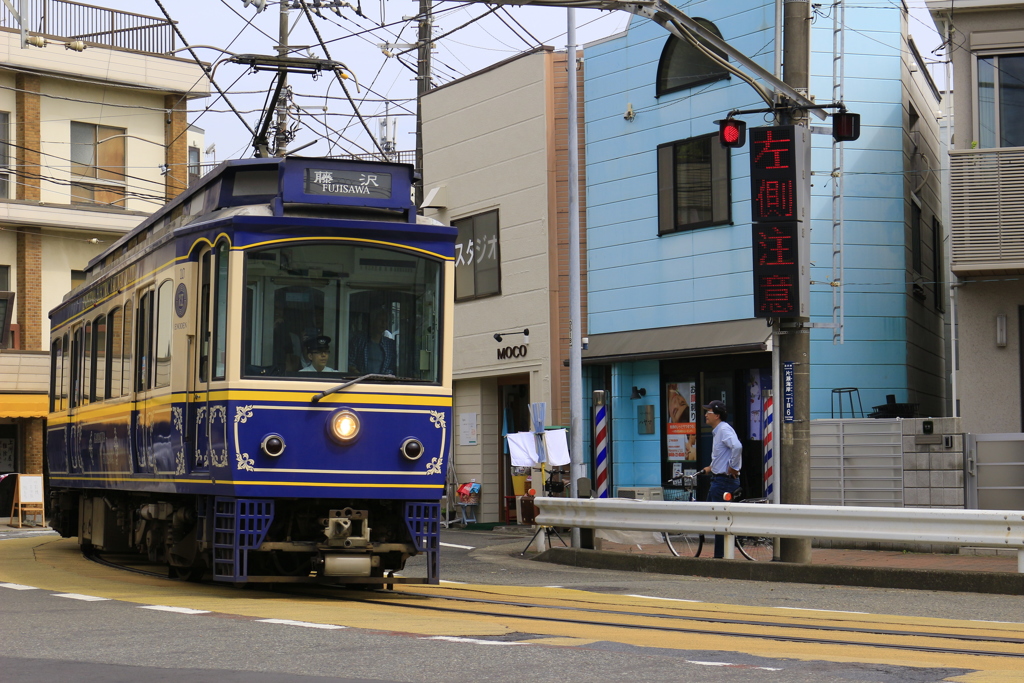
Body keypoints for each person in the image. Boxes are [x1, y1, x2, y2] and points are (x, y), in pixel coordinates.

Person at [700, 400, 743, 558]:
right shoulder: (718, 431)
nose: (705, 415)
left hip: (724, 482)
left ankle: (720, 557)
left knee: (718, 520)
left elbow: (737, 447)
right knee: (712, 516)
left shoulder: (724, 429)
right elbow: (722, 455)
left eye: (708, 412)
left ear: (717, 415)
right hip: (718, 480)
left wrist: (734, 467)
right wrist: (710, 468)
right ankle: (722, 554)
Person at [348, 308, 396, 375]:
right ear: (373, 321)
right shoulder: (358, 341)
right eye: (380, 320)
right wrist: (360, 376)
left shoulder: (390, 345)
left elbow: (391, 367)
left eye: (385, 321)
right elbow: (350, 363)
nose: (383, 323)